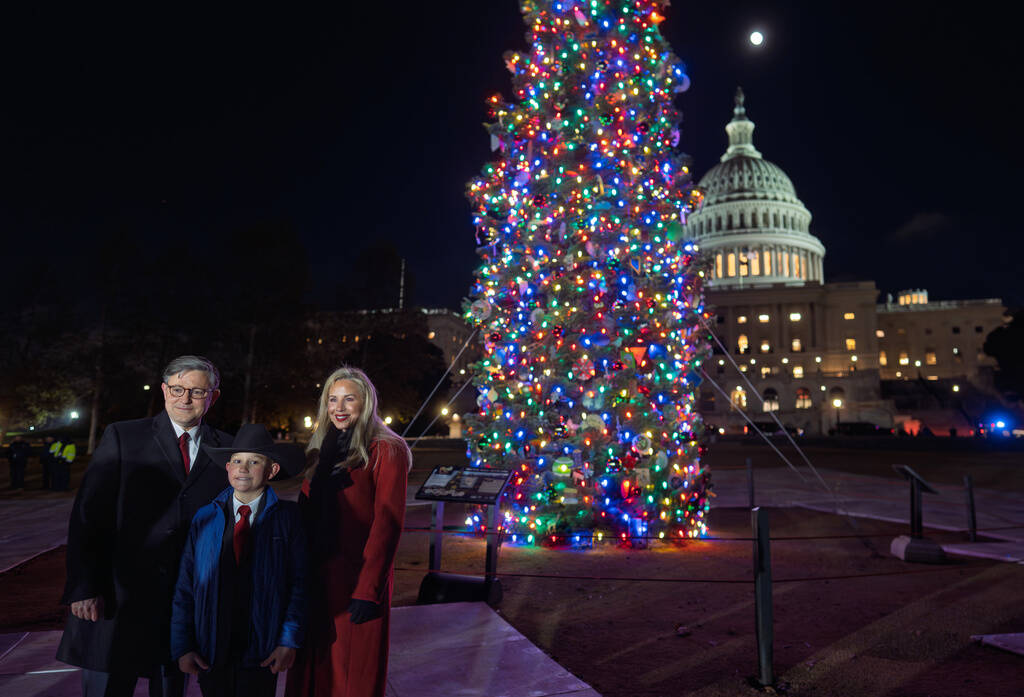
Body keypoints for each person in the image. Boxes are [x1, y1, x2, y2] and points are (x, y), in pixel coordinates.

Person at [57, 355, 233, 697]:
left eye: (197, 392)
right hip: (117, 597)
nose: (185, 399)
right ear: (165, 390)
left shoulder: (227, 450)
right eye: (178, 389)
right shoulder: (124, 436)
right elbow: (88, 516)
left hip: (183, 603)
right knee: (108, 686)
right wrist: (83, 585)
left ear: (213, 396)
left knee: (169, 687)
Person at [286, 366, 411, 697]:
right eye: (332, 400)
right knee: (313, 675)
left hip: (355, 583)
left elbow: (387, 525)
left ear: (365, 402)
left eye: (348, 399)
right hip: (315, 580)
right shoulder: (322, 448)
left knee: (350, 678)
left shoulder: (386, 449)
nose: (339, 408)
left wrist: (369, 590)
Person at [171, 424, 307, 697]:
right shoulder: (205, 518)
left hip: (261, 651)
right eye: (237, 461)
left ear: (272, 470)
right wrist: (182, 646)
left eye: (254, 461)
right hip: (212, 648)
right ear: (228, 468)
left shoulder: (288, 521)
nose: (243, 468)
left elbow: (300, 586)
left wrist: (288, 640)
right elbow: (186, 586)